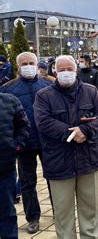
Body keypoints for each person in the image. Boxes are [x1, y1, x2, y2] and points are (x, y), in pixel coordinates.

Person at [34, 55, 98, 238]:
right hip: (58, 161)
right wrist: (73, 133)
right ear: (55, 72)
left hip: (88, 159)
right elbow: (43, 122)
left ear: (76, 71)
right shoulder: (44, 96)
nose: (66, 73)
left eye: (70, 69)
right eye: (62, 69)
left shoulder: (90, 91)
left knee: (90, 209)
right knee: (63, 212)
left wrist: (86, 130)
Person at [1, 52, 52, 234]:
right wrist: (14, 143)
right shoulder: (8, 88)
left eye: (32, 62)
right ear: (18, 66)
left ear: (37, 64)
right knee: (27, 183)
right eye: (25, 63)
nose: (28, 66)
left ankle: (59, 212)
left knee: (54, 179)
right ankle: (33, 218)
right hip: (23, 145)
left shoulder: (49, 84)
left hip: (48, 142)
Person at [0, 92, 30, 239]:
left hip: (4, 169)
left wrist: (16, 146)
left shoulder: (10, 101)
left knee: (6, 212)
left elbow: (23, 127)